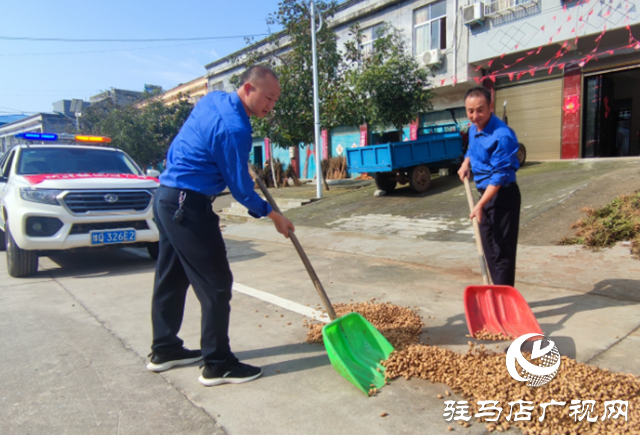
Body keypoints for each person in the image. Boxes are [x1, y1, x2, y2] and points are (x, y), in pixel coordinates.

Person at [147, 65, 295, 387]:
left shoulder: (213, 99)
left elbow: (181, 145)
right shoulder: (235, 129)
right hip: (188, 205)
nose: (271, 105)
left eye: (275, 100)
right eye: (268, 97)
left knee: (171, 277)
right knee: (216, 283)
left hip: (167, 196)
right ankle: (217, 363)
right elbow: (241, 189)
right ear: (247, 88)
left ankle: (165, 349)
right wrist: (274, 216)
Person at [457, 86, 521, 287]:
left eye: (480, 110)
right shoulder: (474, 128)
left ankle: (504, 299)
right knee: (488, 248)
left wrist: (480, 205)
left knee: (502, 251)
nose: (475, 116)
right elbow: (472, 150)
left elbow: (499, 177)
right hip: (485, 194)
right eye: (470, 111)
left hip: (503, 196)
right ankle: (496, 291)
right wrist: (466, 163)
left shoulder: (502, 135)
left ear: (490, 106)